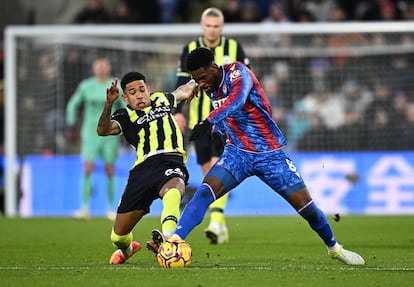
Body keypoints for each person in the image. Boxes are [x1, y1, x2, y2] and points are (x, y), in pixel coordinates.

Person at [161, 47, 365, 265]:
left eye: (202, 77)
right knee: (204, 193)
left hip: (270, 155)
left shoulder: (239, 73)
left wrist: (209, 121)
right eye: (196, 80)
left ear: (213, 67)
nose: (201, 83)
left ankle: (335, 249)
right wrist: (218, 131)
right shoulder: (209, 85)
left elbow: (237, 100)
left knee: (308, 209)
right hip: (237, 154)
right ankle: (174, 241)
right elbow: (227, 113)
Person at [97, 72, 198, 264]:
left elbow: (183, 91)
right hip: (143, 170)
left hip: (171, 159)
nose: (140, 95)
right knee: (117, 237)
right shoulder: (124, 115)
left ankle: (168, 240)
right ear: (125, 98)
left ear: (148, 90)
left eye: (142, 90)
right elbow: (102, 130)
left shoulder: (162, 99)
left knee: (174, 190)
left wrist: (199, 80)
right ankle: (127, 250)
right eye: (133, 92)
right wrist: (109, 103)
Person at [174, 7, 249, 245]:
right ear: (202, 26)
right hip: (201, 121)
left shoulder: (235, 48)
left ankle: (215, 221)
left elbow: (246, 81)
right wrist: (178, 111)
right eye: (208, 25)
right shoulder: (190, 49)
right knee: (209, 171)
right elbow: (181, 81)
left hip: (228, 120)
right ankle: (221, 221)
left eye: (216, 26)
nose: (212, 30)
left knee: (218, 166)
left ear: (222, 27)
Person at [66, 56, 124, 220]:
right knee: (88, 167)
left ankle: (111, 209)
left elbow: (126, 108)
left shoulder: (116, 86)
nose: (100, 68)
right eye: (97, 66)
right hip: (90, 133)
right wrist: (71, 125)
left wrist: (129, 126)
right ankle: (84, 208)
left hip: (110, 134)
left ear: (109, 67)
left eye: (103, 66)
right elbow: (72, 105)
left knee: (110, 169)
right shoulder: (86, 86)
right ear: (93, 68)